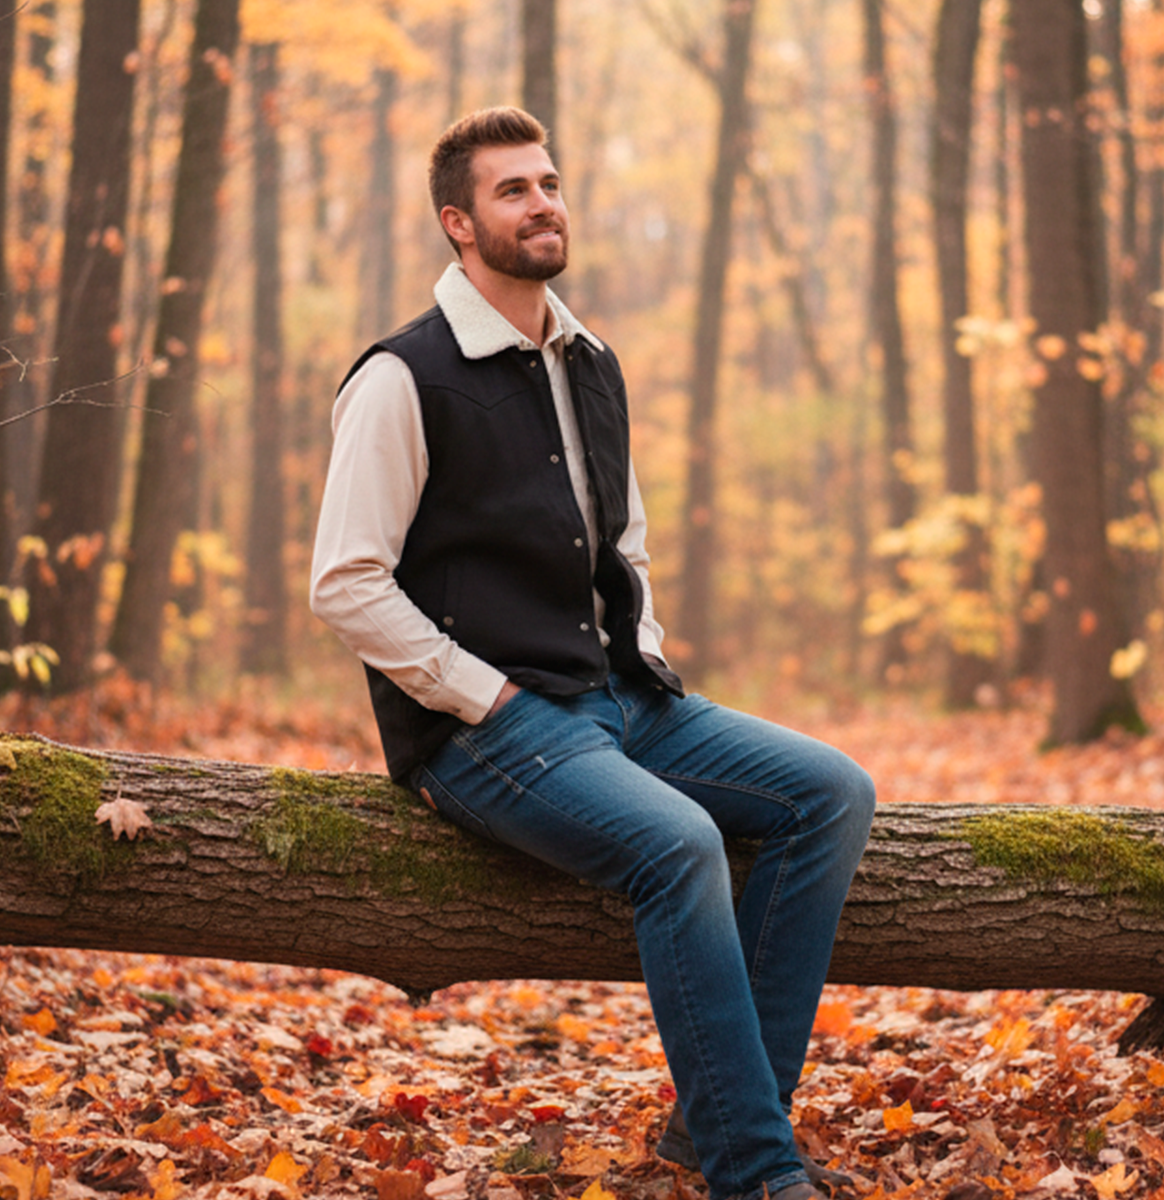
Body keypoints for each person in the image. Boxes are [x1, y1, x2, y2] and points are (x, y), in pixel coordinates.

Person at [310, 106, 874, 1200]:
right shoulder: (400, 377)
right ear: (458, 223)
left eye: (551, 183)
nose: (544, 204)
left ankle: (715, 1129)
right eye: (513, 190)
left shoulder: (592, 361)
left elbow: (624, 537)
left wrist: (642, 651)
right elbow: (346, 582)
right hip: (486, 730)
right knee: (680, 845)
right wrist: (483, 696)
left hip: (625, 698)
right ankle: (758, 1173)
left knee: (832, 793)